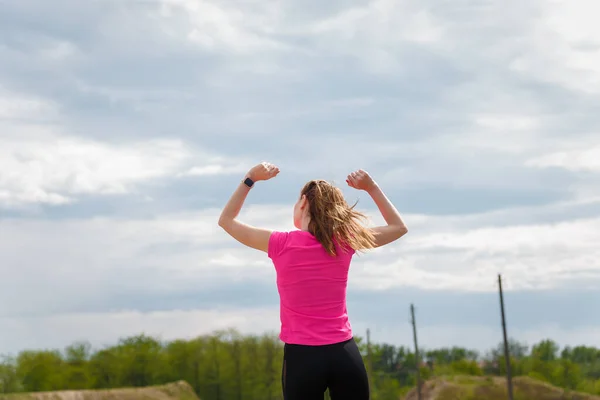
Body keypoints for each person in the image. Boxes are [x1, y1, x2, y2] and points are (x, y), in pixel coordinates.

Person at [218, 162, 408, 400]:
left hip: (302, 359)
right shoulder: (345, 241)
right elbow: (399, 227)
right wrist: (371, 187)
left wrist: (250, 179)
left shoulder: (280, 243)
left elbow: (226, 221)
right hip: (344, 355)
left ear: (304, 203)